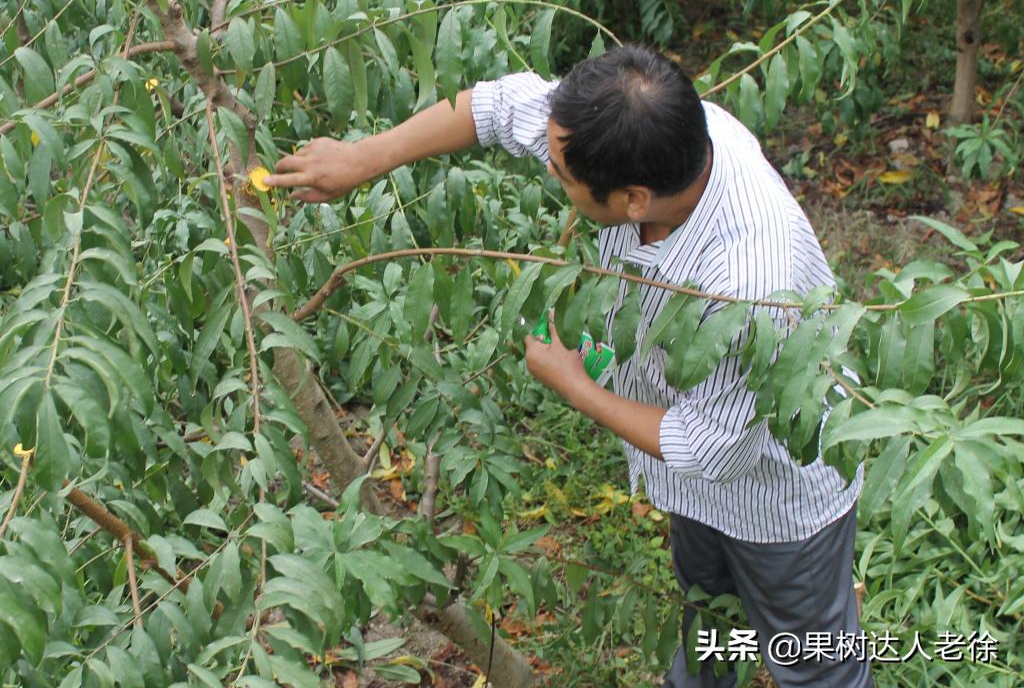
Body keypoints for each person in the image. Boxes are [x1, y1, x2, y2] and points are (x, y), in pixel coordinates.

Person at [264, 44, 870, 687]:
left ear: (634, 199)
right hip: (695, 483)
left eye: (560, 174)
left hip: (775, 497)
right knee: (711, 616)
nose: (549, 170)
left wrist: (578, 387)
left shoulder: (748, 283)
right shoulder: (657, 135)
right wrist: (364, 157)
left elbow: (718, 451)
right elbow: (498, 108)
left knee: (814, 660)